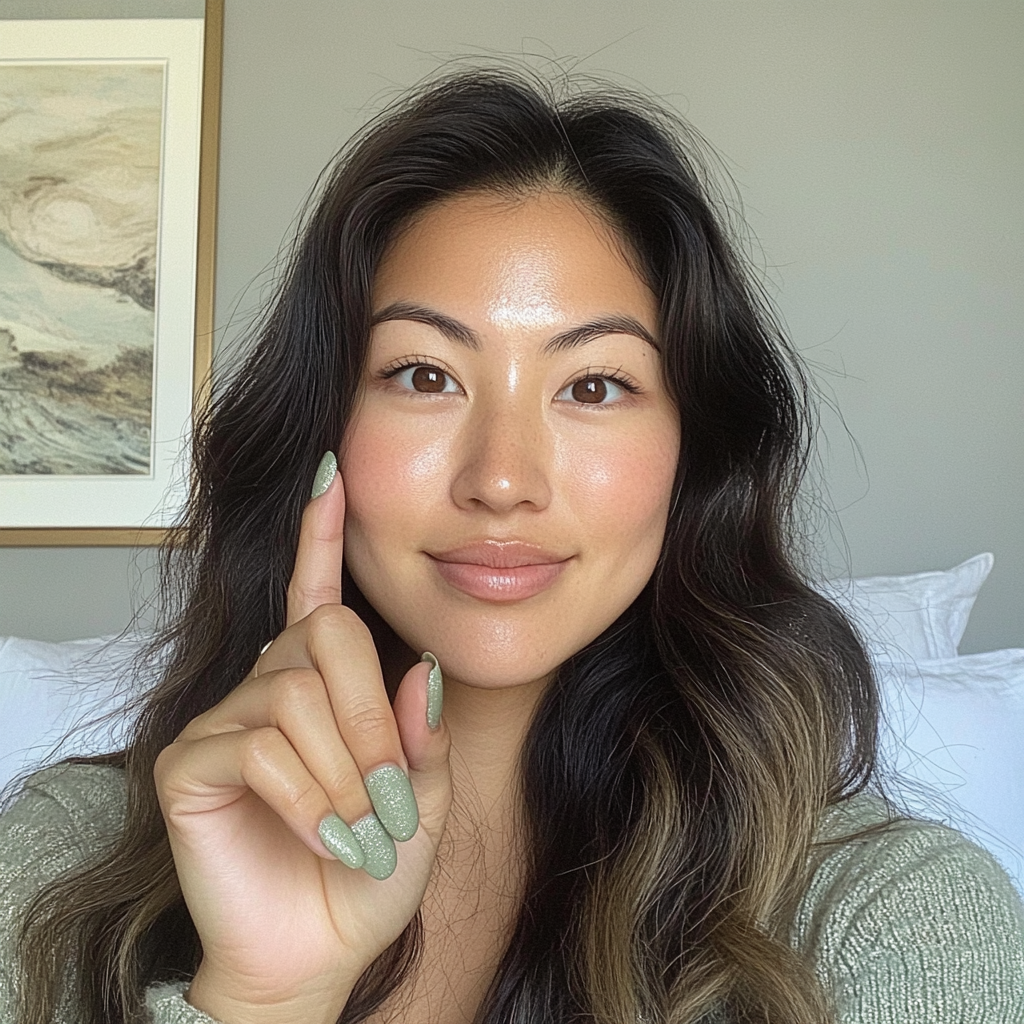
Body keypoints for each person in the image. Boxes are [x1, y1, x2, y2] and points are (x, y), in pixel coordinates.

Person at [1, 67, 1022, 1024]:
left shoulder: (894, 916)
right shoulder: (53, 862)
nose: (500, 477)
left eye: (593, 386)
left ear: (690, 454)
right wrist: (262, 1002)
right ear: (320, 423)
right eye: (423, 375)